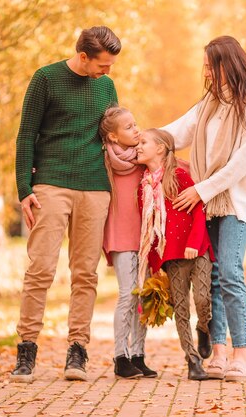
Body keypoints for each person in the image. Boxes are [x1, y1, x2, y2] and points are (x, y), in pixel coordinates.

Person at [11, 26, 121, 383]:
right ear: (84, 56)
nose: (108, 73)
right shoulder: (46, 79)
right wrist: (24, 187)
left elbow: (115, 133)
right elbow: (26, 133)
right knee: (41, 267)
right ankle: (26, 351)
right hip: (51, 184)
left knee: (86, 273)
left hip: (94, 187)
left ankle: (78, 351)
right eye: (103, 65)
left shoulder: (105, 86)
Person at [162, 35, 246, 382]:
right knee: (210, 277)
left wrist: (201, 189)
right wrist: (130, 136)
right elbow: (173, 134)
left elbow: (241, 164)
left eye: (211, 65)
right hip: (205, 205)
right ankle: (220, 351)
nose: (206, 71)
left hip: (236, 205)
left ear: (229, 64)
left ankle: (242, 353)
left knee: (229, 271)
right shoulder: (208, 106)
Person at [136, 128, 214, 381]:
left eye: (143, 142)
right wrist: (155, 264)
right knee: (180, 308)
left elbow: (198, 211)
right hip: (170, 256)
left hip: (197, 248)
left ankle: (204, 327)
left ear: (160, 148)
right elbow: (149, 230)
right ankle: (192, 361)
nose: (138, 146)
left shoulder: (179, 175)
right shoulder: (144, 187)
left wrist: (193, 242)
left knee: (202, 299)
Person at [99, 106, 158, 379]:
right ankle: (120, 357)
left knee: (142, 295)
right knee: (127, 294)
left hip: (145, 236)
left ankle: (138, 354)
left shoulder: (144, 158)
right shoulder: (103, 161)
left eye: (136, 124)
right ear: (113, 137)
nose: (136, 130)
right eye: (129, 127)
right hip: (120, 234)